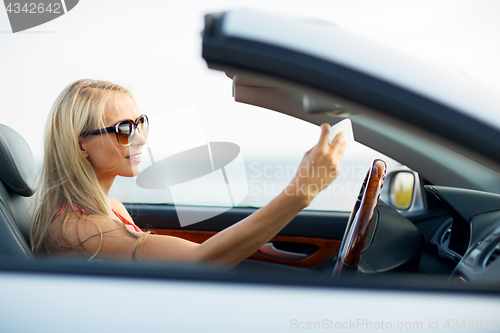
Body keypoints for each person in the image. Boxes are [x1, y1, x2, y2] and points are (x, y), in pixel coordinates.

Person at [30, 79, 346, 267]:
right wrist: (300, 193)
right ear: (81, 145)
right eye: (124, 129)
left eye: (140, 124)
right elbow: (201, 261)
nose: (140, 138)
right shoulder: (80, 228)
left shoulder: (109, 208)